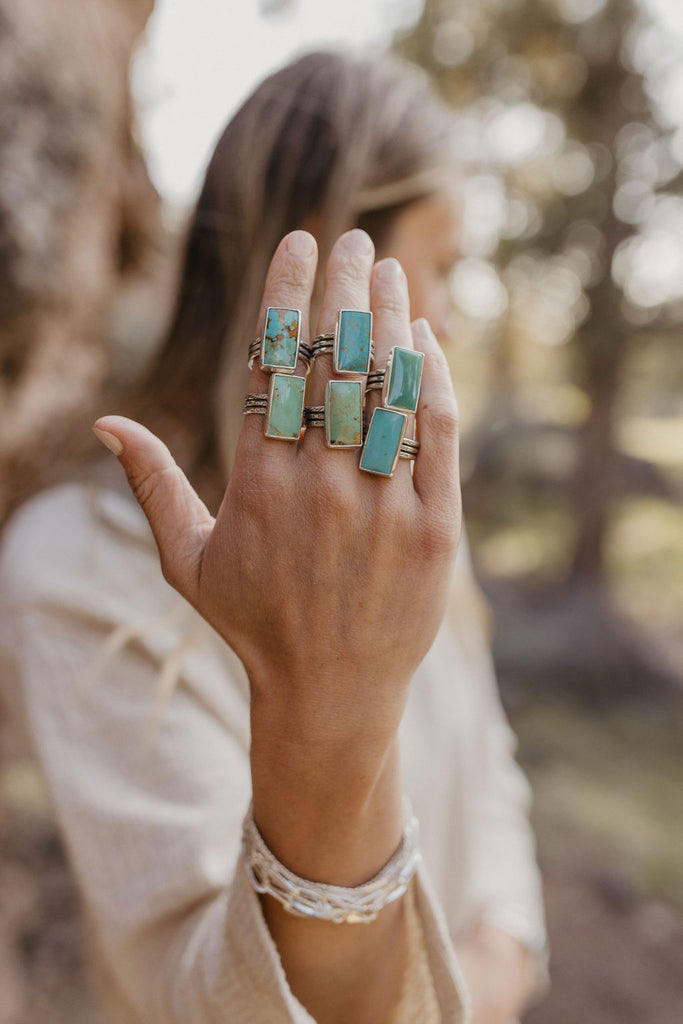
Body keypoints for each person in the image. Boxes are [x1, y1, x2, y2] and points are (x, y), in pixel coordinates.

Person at [0, 52, 548, 1023]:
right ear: (343, 284)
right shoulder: (80, 568)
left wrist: (497, 954)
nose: (457, 319)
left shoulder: (405, 522)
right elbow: (201, 992)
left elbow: (488, 763)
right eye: (445, 267)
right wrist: (321, 707)